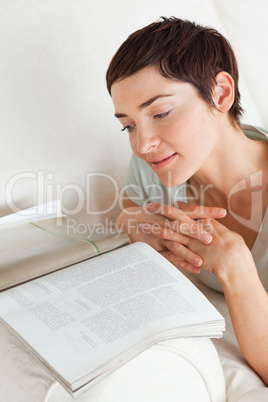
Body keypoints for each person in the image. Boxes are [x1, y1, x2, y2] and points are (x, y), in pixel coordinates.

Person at [106, 17, 268, 386]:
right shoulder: (151, 169)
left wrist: (236, 267)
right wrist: (128, 228)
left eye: (160, 113)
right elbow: (129, 217)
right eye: (128, 125)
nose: (141, 144)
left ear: (221, 94)